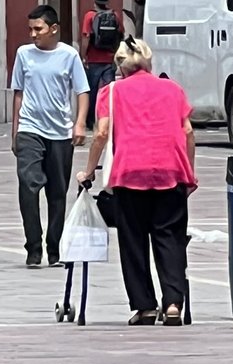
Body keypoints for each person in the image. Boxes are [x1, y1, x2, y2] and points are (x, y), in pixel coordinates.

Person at [78, 37, 196, 326]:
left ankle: (144, 306)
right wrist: (189, 172)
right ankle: (172, 304)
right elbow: (188, 131)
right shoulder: (173, 89)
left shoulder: (112, 92)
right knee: (169, 239)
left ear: (120, 65)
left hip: (129, 173)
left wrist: (89, 171)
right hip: (170, 172)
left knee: (133, 240)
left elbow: (102, 133)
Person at [11, 4, 89, 268]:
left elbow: (82, 91)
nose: (33, 34)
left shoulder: (69, 56)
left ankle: (54, 248)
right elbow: (18, 93)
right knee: (28, 185)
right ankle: (33, 246)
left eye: (38, 29)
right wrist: (16, 130)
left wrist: (79, 124)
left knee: (57, 192)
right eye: (30, 29)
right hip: (30, 129)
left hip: (60, 132)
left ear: (53, 29)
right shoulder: (24, 54)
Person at [80, 0, 123, 130]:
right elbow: (120, 35)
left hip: (93, 60)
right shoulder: (115, 16)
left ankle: (90, 122)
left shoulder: (90, 16)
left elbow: (86, 37)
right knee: (109, 92)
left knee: (91, 92)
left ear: (94, 1)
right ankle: (110, 120)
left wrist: (83, 56)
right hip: (110, 60)